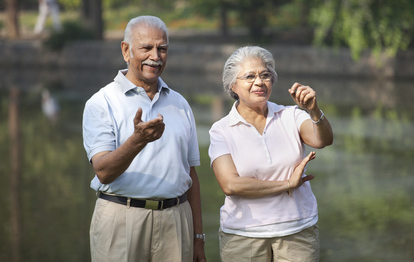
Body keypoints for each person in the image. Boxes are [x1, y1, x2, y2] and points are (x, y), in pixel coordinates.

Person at [82, 15, 207, 262]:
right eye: (146, 48)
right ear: (126, 50)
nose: (156, 56)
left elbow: (191, 174)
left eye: (162, 48)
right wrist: (137, 140)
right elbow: (103, 172)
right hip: (121, 218)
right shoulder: (102, 102)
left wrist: (198, 238)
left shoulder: (180, 103)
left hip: (176, 219)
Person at [208, 46, 333, 262]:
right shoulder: (221, 129)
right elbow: (231, 185)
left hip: (297, 231)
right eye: (249, 76)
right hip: (243, 235)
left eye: (265, 75)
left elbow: (322, 140)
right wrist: (287, 185)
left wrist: (314, 110)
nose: (259, 82)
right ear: (233, 85)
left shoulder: (290, 115)